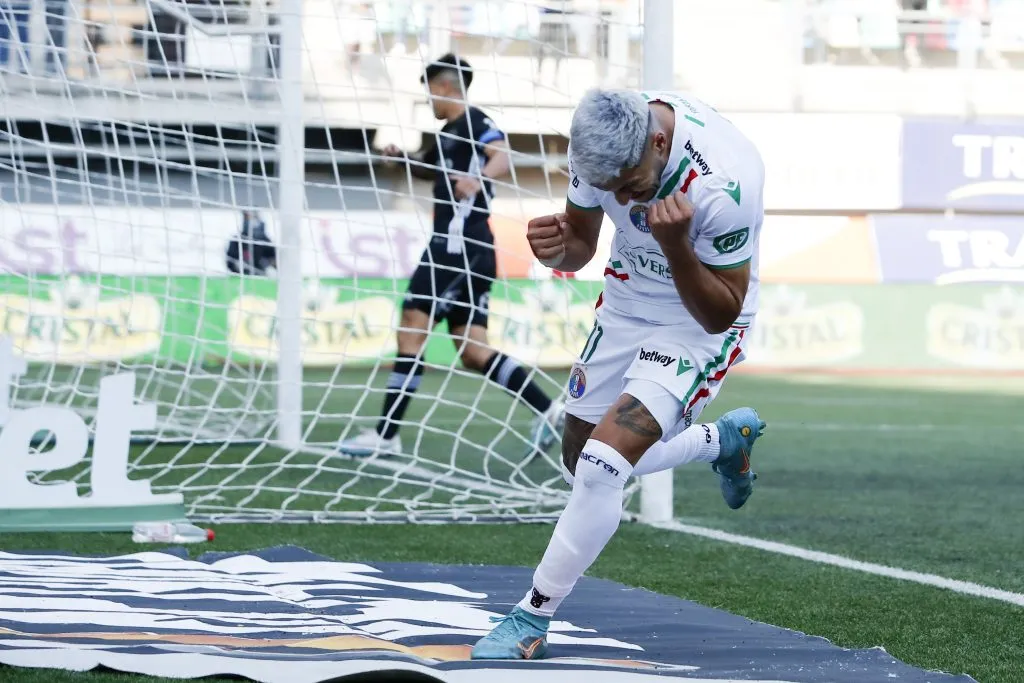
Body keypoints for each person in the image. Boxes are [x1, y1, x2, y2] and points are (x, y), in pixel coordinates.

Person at [471, 89, 768, 660]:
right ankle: (719, 441)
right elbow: (582, 245)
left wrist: (676, 247)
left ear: (659, 143)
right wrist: (557, 252)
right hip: (628, 304)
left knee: (605, 466)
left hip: (699, 321)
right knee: (580, 461)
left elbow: (721, 310)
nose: (624, 200)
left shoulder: (727, 179)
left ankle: (530, 619)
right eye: (611, 191)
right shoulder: (599, 154)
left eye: (632, 186)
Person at [338, 53, 564, 458]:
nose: (429, 101)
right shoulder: (445, 136)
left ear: (444, 87)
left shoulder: (476, 123)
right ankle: (551, 409)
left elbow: (502, 154)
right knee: (471, 348)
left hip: (455, 246)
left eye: (430, 92)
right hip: (473, 250)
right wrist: (402, 159)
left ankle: (386, 434)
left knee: (412, 325)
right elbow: (432, 171)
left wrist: (477, 179)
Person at [225, 211, 276, 276]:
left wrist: (269, 265)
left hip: (262, 276)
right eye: (247, 217)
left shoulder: (265, 240)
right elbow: (229, 260)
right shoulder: (237, 240)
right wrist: (236, 266)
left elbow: (274, 259)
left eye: (252, 217)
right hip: (241, 276)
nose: (251, 220)